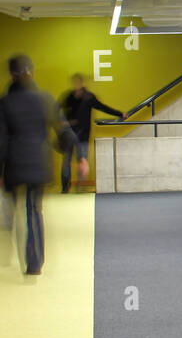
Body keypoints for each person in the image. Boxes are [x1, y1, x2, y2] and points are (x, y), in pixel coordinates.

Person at [0, 56, 85, 276]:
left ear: (12, 75)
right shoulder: (45, 99)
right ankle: (34, 261)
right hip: (38, 163)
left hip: (13, 165)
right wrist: (80, 157)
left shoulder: (4, 103)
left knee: (12, 209)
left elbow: (1, 140)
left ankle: (7, 244)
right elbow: (63, 131)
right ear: (33, 72)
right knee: (33, 210)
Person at [57, 74, 125, 193]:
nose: (76, 85)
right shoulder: (70, 97)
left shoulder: (87, 97)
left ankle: (78, 187)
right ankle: (67, 187)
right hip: (72, 134)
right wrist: (62, 122)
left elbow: (102, 107)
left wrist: (119, 113)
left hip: (81, 134)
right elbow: (57, 109)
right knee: (70, 161)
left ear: (81, 83)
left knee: (80, 161)